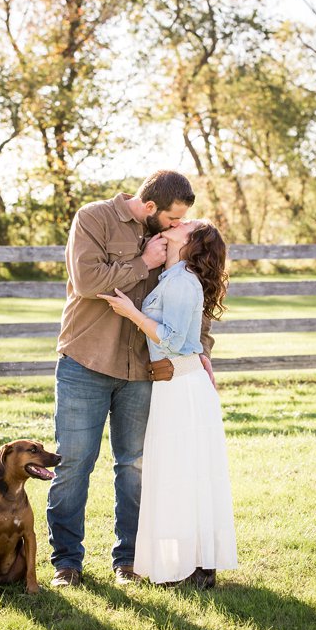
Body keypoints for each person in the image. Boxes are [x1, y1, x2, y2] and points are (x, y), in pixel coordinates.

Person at [47, 171, 215, 588]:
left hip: (144, 372)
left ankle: (129, 560)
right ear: (152, 207)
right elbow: (87, 281)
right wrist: (143, 264)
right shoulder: (94, 218)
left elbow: (193, 302)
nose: (179, 226)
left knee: (136, 467)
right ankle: (67, 563)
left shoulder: (174, 242)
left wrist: (203, 354)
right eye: (174, 218)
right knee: (73, 465)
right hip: (86, 361)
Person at [99, 220, 237, 588]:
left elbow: (174, 341)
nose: (179, 222)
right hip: (174, 382)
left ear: (190, 243)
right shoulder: (172, 278)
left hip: (180, 384)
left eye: (188, 224)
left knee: (181, 474)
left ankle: (193, 568)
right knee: (181, 474)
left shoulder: (180, 281)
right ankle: (195, 566)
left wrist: (132, 313)